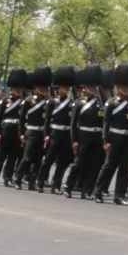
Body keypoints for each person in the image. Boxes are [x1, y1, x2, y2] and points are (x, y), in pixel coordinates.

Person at [94, 63, 128, 204]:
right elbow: (106, 123)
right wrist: (105, 141)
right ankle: (98, 191)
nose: (126, 89)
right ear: (118, 87)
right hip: (115, 137)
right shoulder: (111, 103)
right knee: (109, 166)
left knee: (125, 168)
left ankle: (119, 194)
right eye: (124, 87)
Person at [64, 65, 105, 199]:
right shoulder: (79, 103)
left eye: (94, 87)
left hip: (97, 136)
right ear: (85, 87)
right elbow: (73, 124)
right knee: (79, 162)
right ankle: (68, 186)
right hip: (83, 135)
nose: (93, 89)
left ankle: (87, 190)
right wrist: (74, 140)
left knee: (93, 164)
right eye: (90, 86)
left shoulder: (100, 103)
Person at [39, 65, 78, 194]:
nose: (66, 89)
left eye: (67, 87)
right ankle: (40, 181)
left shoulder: (72, 102)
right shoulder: (52, 102)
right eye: (64, 86)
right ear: (58, 87)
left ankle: (57, 184)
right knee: (49, 159)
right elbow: (47, 120)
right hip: (54, 132)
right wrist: (46, 134)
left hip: (66, 134)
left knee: (63, 161)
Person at [14, 66, 52, 190]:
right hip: (30, 132)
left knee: (38, 159)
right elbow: (22, 118)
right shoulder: (29, 101)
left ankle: (32, 181)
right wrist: (21, 133)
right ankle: (18, 178)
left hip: (42, 133)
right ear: (36, 88)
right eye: (41, 87)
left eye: (45, 88)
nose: (43, 89)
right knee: (27, 158)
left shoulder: (48, 102)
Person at [0, 68, 28, 187]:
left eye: (19, 88)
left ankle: (7, 177)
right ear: (11, 88)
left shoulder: (24, 102)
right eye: (16, 88)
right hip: (6, 129)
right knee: (2, 155)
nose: (18, 90)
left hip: (17, 130)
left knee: (13, 156)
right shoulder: (4, 102)